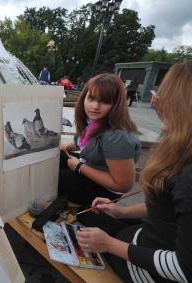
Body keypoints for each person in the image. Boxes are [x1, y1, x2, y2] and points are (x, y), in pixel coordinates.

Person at [76, 61, 192, 283]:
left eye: (163, 95)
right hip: (148, 239)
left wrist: (109, 244)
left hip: (150, 271)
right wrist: (121, 212)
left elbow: (184, 269)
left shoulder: (188, 176)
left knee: (85, 219)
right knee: (90, 214)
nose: (156, 102)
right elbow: (169, 212)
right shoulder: (183, 151)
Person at [59, 73, 141, 205]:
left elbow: (123, 185)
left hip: (104, 191)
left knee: (52, 178)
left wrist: (80, 167)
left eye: (105, 101)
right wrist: (65, 147)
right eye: (91, 98)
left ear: (116, 104)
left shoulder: (117, 137)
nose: (95, 106)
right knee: (54, 158)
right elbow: (81, 143)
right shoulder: (94, 121)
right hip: (90, 167)